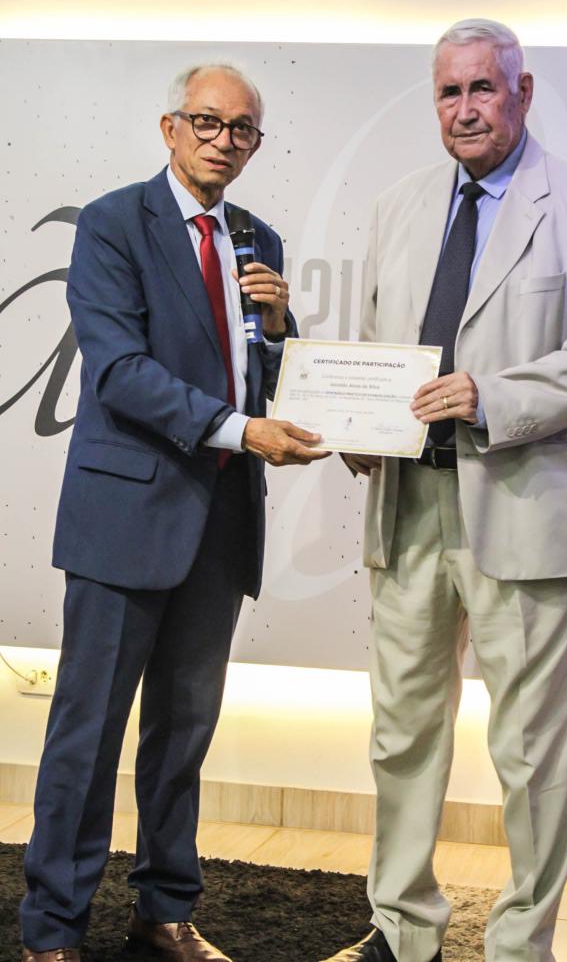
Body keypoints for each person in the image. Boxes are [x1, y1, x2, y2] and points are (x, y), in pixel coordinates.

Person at [327, 19, 567, 962]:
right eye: (448, 91)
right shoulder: (396, 207)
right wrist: (359, 427)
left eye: (482, 88)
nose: (464, 109)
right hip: (408, 506)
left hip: (527, 504)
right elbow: (377, 349)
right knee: (400, 733)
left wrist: (488, 395)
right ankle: (402, 927)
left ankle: (519, 944)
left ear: (522, 92)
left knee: (534, 750)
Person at [20, 63, 328, 962]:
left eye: (242, 129)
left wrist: (282, 329)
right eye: (206, 121)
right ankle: (53, 927)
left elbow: (268, 379)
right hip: (126, 518)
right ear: (170, 127)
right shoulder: (114, 222)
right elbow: (119, 372)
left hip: (222, 521)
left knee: (184, 734)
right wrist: (241, 429)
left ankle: (164, 910)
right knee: (88, 732)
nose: (223, 141)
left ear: (255, 144)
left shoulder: (259, 238)